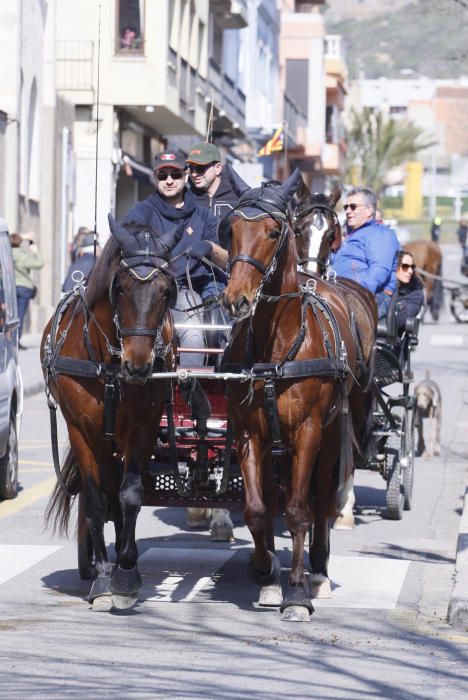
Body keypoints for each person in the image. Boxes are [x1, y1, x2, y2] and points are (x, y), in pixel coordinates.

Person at [122, 149, 228, 368]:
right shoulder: (142, 212)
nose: (169, 181)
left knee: (195, 334)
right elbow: (128, 237)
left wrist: (209, 247)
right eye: (163, 176)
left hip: (184, 291)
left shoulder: (204, 216)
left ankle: (189, 390)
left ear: (186, 175)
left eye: (175, 175)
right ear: (155, 178)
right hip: (146, 292)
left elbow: (227, 260)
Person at [331, 187, 400, 318]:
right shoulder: (350, 236)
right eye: (346, 207)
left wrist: (355, 294)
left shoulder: (379, 234)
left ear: (369, 210)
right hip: (339, 292)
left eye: (353, 206)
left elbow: (378, 272)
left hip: (372, 297)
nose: (348, 211)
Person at [186, 141, 249, 220]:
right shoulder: (186, 198)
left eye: (200, 168)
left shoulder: (239, 198)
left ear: (218, 168)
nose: (194, 174)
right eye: (191, 169)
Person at [10, 232, 44, 349]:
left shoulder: (7, 253)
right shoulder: (22, 256)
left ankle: (9, 340)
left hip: (10, 287)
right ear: (19, 243)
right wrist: (36, 252)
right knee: (19, 315)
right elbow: (39, 263)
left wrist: (23, 236)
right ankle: (16, 341)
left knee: (9, 315)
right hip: (24, 288)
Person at [394, 250, 425, 333]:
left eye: (412, 267)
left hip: (394, 341)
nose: (410, 271)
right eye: (405, 267)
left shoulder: (415, 293)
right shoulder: (383, 287)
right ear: (394, 267)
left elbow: (401, 319)